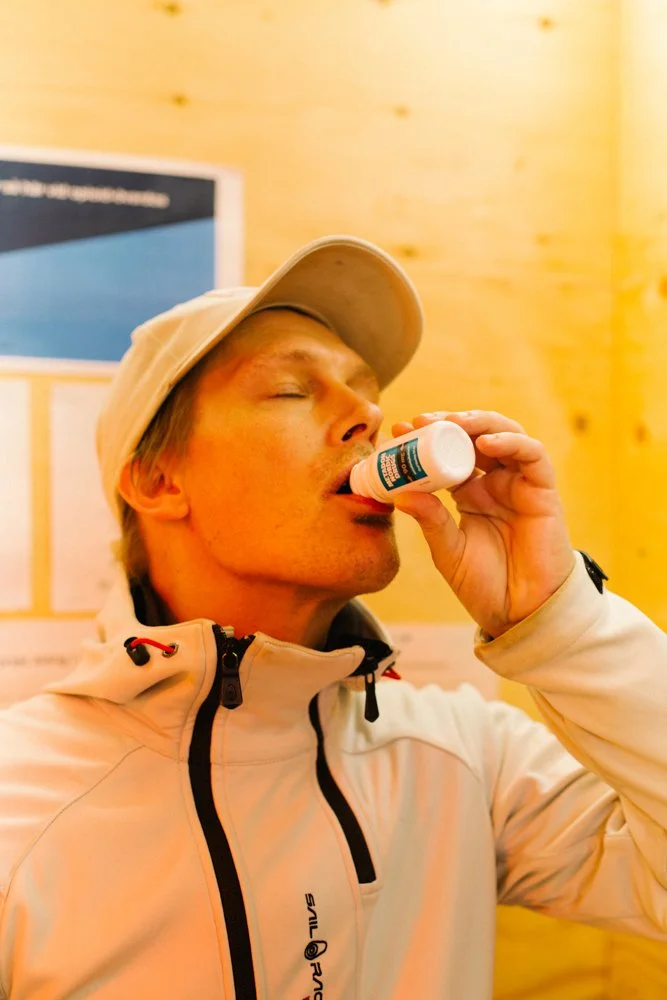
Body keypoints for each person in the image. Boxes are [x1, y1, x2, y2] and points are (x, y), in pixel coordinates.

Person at [1, 235, 666, 1000]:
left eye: (364, 388)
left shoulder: (463, 758)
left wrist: (561, 622)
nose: (368, 415)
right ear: (157, 479)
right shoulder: (20, 801)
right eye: (291, 390)